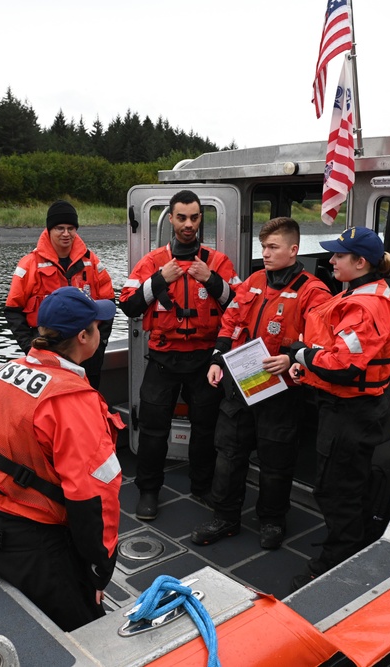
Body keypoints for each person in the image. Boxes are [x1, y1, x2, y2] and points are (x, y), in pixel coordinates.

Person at [0, 287, 123, 632]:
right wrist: (99, 568)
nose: (101, 331)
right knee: (89, 629)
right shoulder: (72, 401)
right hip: (27, 542)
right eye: (97, 326)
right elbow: (92, 496)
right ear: (83, 336)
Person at [190, 218, 332, 550]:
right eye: (263, 247)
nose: (265, 254)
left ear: (293, 250)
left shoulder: (313, 291)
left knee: (275, 460)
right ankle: (225, 516)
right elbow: (232, 319)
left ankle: (272, 520)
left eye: (273, 247)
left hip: (280, 389)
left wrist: (293, 358)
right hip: (241, 383)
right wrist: (216, 359)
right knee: (229, 452)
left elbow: (321, 341)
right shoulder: (254, 280)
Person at [287, 226, 390, 589]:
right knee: (349, 481)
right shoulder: (360, 294)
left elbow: (342, 366)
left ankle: (337, 561)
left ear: (361, 262)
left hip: (351, 412)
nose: (331, 261)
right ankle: (360, 537)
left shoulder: (368, 306)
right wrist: (306, 362)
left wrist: (300, 354)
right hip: (350, 408)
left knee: (335, 489)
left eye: (339, 256)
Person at [119, 189, 240, 521]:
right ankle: (148, 492)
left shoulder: (218, 262)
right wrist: (160, 279)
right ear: (171, 219)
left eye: (195, 217)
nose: (189, 224)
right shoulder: (152, 262)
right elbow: (128, 304)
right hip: (163, 359)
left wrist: (211, 280)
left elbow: (240, 307)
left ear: (201, 218)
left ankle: (201, 487)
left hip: (204, 360)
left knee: (205, 429)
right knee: (154, 432)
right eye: (182, 217)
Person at [5, 200, 116, 388]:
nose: (66, 234)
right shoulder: (29, 264)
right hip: (48, 358)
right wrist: (30, 347)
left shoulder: (91, 261)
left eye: (71, 228)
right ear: (49, 230)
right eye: (60, 228)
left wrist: (99, 345)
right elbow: (13, 311)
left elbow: (109, 303)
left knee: (88, 405)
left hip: (86, 355)